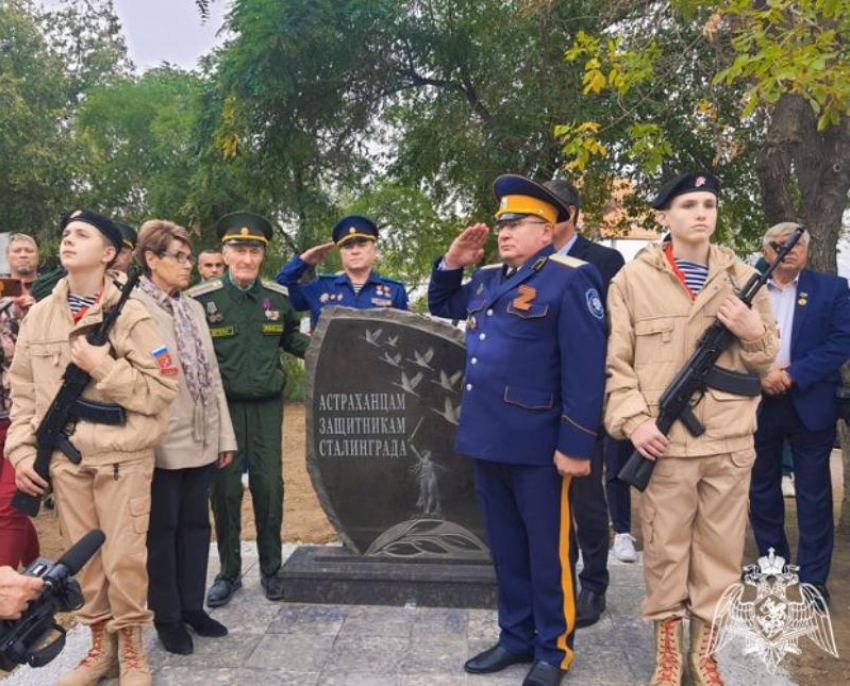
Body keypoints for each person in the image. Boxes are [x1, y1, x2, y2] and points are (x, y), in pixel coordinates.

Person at [429, 174, 607, 686]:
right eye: (502, 222)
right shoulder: (487, 279)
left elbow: (585, 368)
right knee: (506, 548)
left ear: (548, 231)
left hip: (540, 444)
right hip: (488, 437)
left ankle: (554, 649)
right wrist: (450, 264)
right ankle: (515, 636)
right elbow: (443, 305)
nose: (505, 232)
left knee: (548, 552)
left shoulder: (572, 278)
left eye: (519, 223)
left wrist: (576, 444)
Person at [604, 172, 778, 686]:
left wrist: (751, 331)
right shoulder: (632, 281)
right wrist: (635, 423)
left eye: (709, 204)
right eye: (688, 205)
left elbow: (766, 361)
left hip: (729, 443)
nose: (701, 213)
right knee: (664, 552)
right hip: (664, 443)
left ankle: (704, 657)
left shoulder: (744, 277)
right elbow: (618, 365)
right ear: (665, 216)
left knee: (721, 554)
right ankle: (666, 659)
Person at [6, 210, 179, 686]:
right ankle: (99, 649)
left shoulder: (133, 313)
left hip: (122, 459)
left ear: (107, 253)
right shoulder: (40, 316)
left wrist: (104, 368)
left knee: (125, 558)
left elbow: (163, 389)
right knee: (83, 566)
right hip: (64, 462)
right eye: (64, 234)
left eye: (81, 235)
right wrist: (22, 453)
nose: (67, 240)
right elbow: (21, 392)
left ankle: (132, 653)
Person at [188, 212, 310, 608]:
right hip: (221, 412)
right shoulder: (201, 300)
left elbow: (294, 339)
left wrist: (335, 349)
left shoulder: (277, 298)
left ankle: (271, 569)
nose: (246, 257)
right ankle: (228, 572)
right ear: (224, 253)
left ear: (262, 256)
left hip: (266, 409)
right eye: (238, 249)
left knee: (269, 488)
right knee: (223, 492)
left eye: (254, 250)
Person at [133, 220, 237, 655]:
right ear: (151, 259)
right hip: (159, 440)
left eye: (189, 257)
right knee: (163, 530)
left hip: (200, 436)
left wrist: (224, 437)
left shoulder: (192, 307)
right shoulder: (133, 307)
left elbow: (211, 375)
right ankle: (168, 616)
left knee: (197, 525)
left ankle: (193, 607)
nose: (187, 265)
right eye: (178, 257)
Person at [543, 179, 634, 629]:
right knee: (545, 496)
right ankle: (556, 578)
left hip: (585, 396)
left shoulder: (604, 260)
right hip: (537, 398)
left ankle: (594, 582)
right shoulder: (531, 261)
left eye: (552, 211)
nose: (542, 220)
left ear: (572, 214)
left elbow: (615, 330)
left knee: (586, 497)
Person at [749, 222, 850, 604]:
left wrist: (791, 375)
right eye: (778, 244)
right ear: (765, 249)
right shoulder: (748, 288)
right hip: (758, 401)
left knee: (814, 494)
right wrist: (762, 376)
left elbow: (840, 343)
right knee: (761, 489)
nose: (787, 249)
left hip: (809, 401)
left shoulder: (832, 289)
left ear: (806, 250)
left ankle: (812, 579)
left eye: (796, 244)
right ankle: (772, 565)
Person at [275, 214, 410, 328]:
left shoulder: (395, 291)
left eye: (362, 245)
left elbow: (408, 335)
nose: (355, 251)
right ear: (341, 253)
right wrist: (303, 261)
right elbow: (280, 291)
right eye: (348, 247)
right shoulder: (320, 287)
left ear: (375, 251)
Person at [0, 234, 41, 569]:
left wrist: (27, 314)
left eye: (29, 249)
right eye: (17, 249)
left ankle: (4, 586)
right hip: (1, 412)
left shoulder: (56, 292)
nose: (23, 254)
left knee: (9, 504)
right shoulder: (2, 290)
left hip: (28, 415)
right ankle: (34, 569)